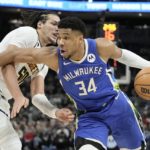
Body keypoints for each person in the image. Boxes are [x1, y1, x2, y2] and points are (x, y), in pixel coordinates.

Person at [0, 16, 150, 150]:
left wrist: (147, 65)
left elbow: (123, 56)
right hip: (89, 115)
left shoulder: (100, 46)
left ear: (80, 39)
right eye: (59, 37)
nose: (61, 42)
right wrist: (54, 111)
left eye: (66, 37)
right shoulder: (51, 56)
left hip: (117, 106)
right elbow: (11, 56)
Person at [0, 11, 74, 150]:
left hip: (3, 101)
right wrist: (18, 96)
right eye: (54, 24)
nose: (58, 29)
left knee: (13, 145)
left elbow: (37, 96)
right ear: (40, 24)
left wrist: (54, 112)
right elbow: (6, 61)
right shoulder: (29, 33)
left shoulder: (44, 61)